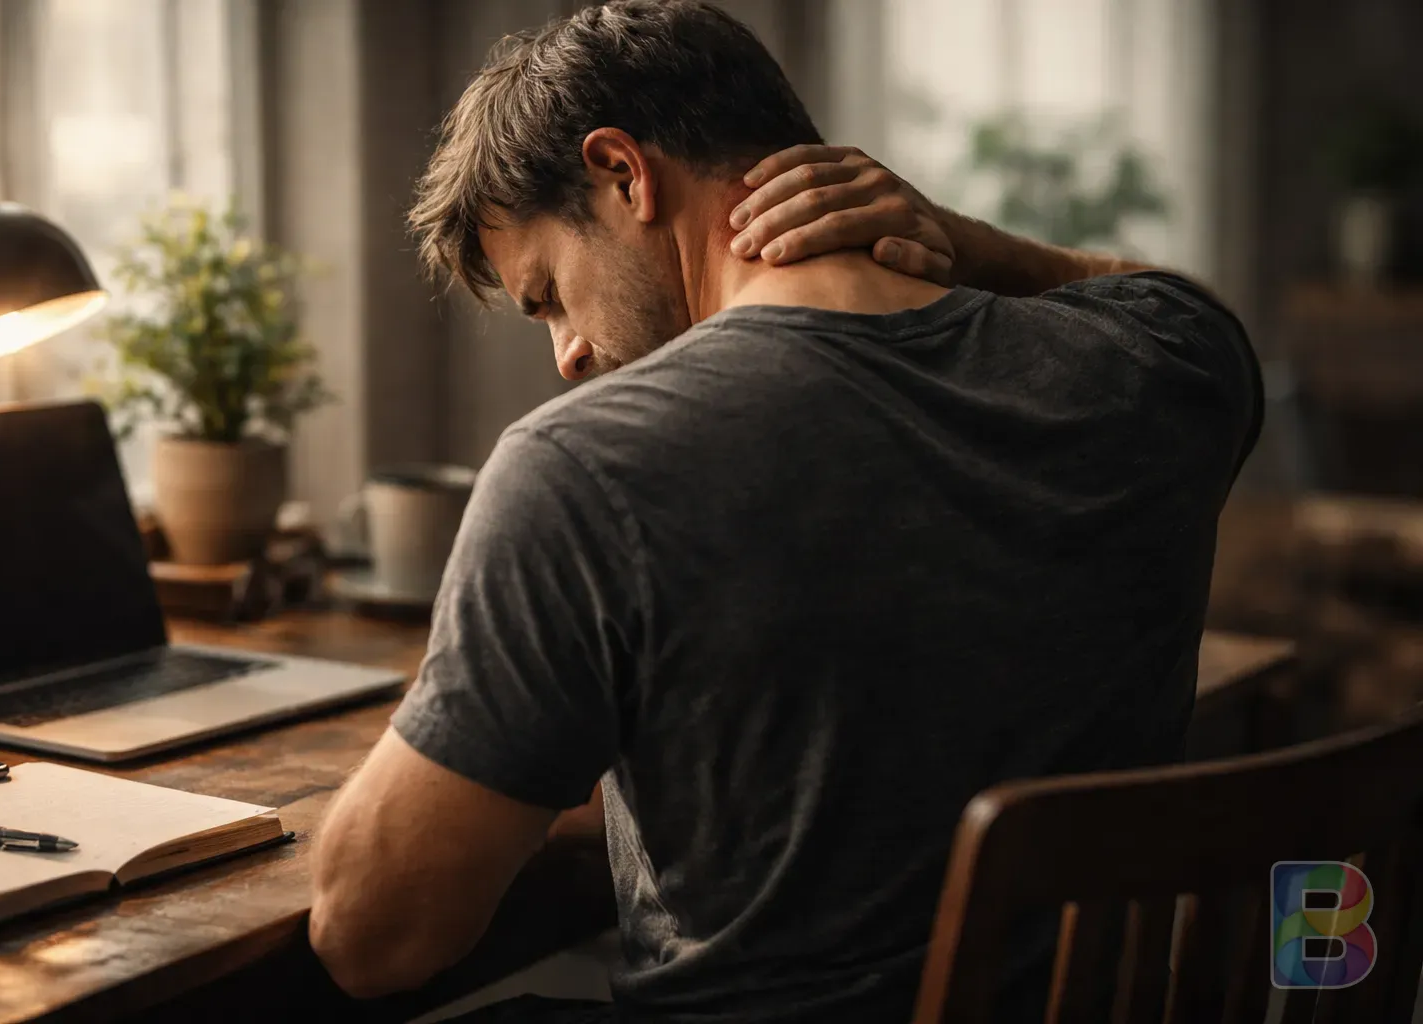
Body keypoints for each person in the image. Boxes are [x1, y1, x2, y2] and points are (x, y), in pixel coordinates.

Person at [308, 2, 1263, 1021]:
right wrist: (959, 241)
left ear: (624, 173)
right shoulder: (1163, 371)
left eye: (548, 295)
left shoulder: (584, 469)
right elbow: (1173, 302)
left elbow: (372, 936)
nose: (568, 356)